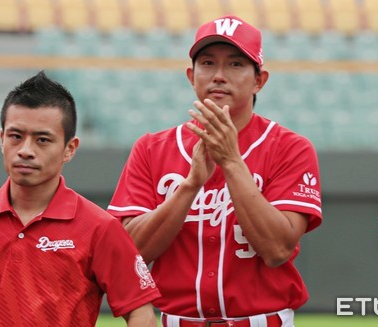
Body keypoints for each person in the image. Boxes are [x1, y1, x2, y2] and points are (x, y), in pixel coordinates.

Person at [106, 15, 322, 327]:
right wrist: (190, 186)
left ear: (259, 79)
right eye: (208, 63)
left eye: (235, 64)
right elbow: (132, 253)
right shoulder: (152, 148)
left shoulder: (290, 147)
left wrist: (232, 163)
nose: (219, 75)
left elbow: (277, 249)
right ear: (191, 76)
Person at [0, 71, 160, 326]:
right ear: (2, 139)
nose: (25, 150)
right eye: (15, 136)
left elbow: (139, 311)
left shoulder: (100, 227)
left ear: (70, 149)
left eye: (42, 140)